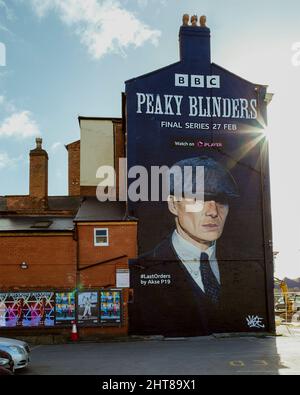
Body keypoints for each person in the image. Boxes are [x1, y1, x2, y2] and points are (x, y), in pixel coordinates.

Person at [129, 156, 267, 337]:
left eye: (221, 200)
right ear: (173, 204)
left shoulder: (251, 270)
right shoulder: (141, 271)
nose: (213, 212)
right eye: (198, 199)